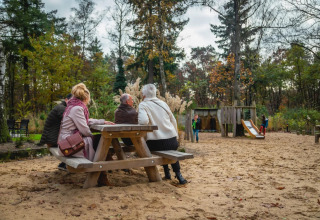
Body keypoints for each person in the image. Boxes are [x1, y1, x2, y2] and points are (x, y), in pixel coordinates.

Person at [58, 83, 115, 186]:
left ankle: (105, 164)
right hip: (69, 144)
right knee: (100, 140)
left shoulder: (73, 106)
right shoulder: (77, 109)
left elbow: (85, 121)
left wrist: (102, 121)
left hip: (67, 140)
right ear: (86, 98)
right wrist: (93, 133)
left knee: (99, 141)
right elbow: (85, 130)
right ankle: (102, 175)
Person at [138, 84, 187, 184]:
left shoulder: (143, 104)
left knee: (158, 146)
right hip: (172, 140)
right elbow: (173, 120)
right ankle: (179, 175)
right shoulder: (163, 103)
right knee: (169, 149)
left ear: (144, 95)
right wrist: (176, 136)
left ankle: (167, 173)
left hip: (155, 143)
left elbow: (143, 121)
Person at [38, 93, 72, 171]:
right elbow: (71, 121)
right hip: (52, 141)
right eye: (71, 101)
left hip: (51, 139)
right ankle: (65, 164)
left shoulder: (61, 107)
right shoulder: (62, 108)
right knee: (78, 142)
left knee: (75, 139)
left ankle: (63, 164)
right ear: (66, 100)